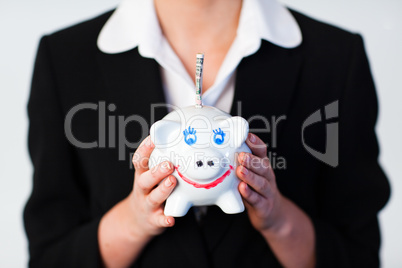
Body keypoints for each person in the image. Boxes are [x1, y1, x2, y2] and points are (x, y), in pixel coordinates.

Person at [24, 0, 390, 267]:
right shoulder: (65, 59)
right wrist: (135, 219)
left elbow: (357, 255)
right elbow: (49, 256)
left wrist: (277, 219)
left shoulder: (336, 58)